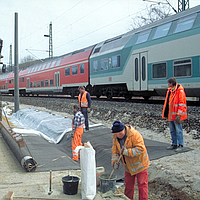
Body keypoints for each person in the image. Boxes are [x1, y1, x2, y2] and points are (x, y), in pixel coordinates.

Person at [111, 121, 150, 200]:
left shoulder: (135, 135)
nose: (116, 136)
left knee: (142, 186)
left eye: (118, 134)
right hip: (128, 167)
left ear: (123, 131)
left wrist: (127, 152)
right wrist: (115, 161)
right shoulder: (116, 138)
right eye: (115, 135)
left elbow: (141, 149)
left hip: (140, 165)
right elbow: (115, 151)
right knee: (128, 186)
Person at [162, 77, 187, 152]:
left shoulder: (180, 91)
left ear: (171, 84)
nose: (168, 85)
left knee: (178, 130)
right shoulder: (170, 91)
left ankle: (181, 145)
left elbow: (182, 104)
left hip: (176, 115)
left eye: (169, 83)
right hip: (171, 114)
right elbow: (167, 103)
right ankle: (174, 144)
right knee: (172, 130)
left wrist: (179, 114)